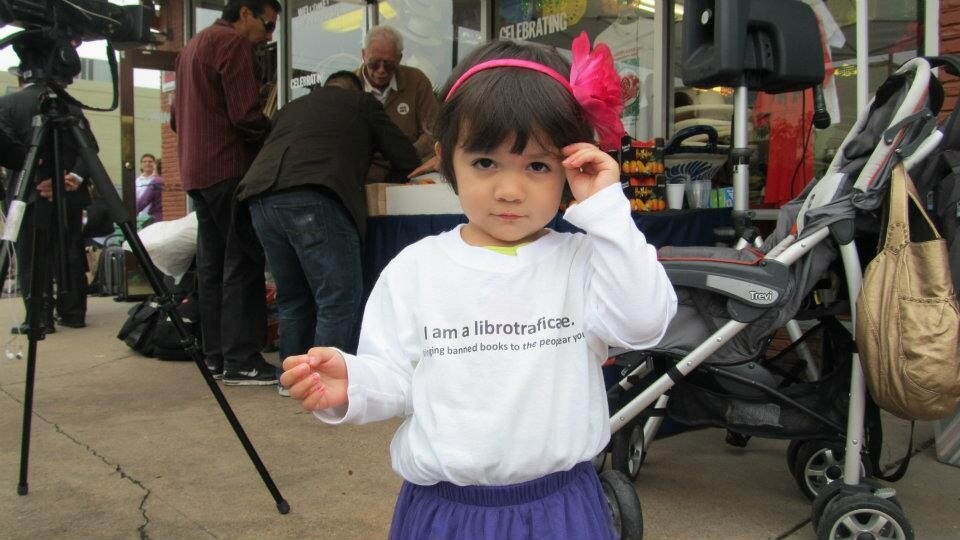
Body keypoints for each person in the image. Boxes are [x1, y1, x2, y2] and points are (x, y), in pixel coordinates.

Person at [281, 35, 678, 539]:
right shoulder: (416, 270)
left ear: (572, 164)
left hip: (561, 510)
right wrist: (353, 384)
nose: (509, 190)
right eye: (485, 162)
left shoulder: (584, 261)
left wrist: (607, 209)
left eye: (537, 165)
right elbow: (397, 377)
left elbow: (644, 323)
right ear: (447, 159)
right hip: (446, 513)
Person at [238, 71, 419, 389]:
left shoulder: (290, 108)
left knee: (292, 298)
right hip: (315, 194)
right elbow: (404, 155)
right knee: (337, 298)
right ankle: (322, 383)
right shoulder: (361, 103)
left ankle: (293, 381)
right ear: (357, 89)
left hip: (261, 198)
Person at [171, 0, 280, 385]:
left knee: (212, 266)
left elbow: (175, 118)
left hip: (196, 171)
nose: (269, 36)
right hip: (229, 168)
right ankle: (242, 359)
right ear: (246, 13)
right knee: (243, 262)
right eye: (268, 25)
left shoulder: (192, 47)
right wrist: (276, 133)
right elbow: (245, 114)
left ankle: (216, 356)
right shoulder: (232, 43)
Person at [0, 63, 91, 332]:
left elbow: (10, 150)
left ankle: (39, 317)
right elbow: (89, 148)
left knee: (31, 255)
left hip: (27, 193)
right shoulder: (68, 105)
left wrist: (39, 176)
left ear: (20, 78)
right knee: (71, 250)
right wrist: (71, 178)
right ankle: (74, 312)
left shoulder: (7, 105)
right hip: (68, 194)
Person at [356, 25, 439, 181]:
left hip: (410, 171)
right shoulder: (350, 86)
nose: (381, 70)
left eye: (388, 64)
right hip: (362, 175)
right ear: (363, 55)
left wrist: (405, 155)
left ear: (399, 59)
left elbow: (433, 131)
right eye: (374, 63)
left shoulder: (417, 81)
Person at [134, 153, 163, 226]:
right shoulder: (136, 181)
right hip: (140, 216)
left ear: (154, 164)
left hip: (152, 216)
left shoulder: (156, 180)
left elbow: (143, 201)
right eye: (144, 162)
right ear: (141, 165)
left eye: (150, 161)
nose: (147, 163)